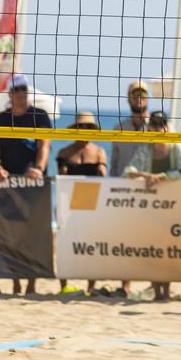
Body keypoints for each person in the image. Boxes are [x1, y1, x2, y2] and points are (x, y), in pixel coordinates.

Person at [0, 74, 52, 295]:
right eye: (17, 90)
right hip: (10, 184)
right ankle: (15, 281)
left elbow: (44, 146)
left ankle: (32, 283)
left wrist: (39, 168)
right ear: (10, 94)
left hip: (34, 184)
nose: (21, 93)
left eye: (24, 89)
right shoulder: (0, 119)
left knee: (34, 235)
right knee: (12, 234)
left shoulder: (39, 116)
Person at [122, 110, 181, 302]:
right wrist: (146, 176)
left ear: (167, 127)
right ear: (150, 127)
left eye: (161, 124)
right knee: (153, 250)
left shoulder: (177, 147)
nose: (158, 128)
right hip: (151, 207)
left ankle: (165, 291)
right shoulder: (146, 149)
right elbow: (128, 171)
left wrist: (160, 177)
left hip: (173, 205)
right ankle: (158, 291)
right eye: (154, 124)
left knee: (168, 251)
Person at [56, 111, 109, 296]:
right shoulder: (65, 152)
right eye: (81, 126)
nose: (84, 129)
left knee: (91, 245)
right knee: (65, 242)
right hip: (69, 203)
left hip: (91, 202)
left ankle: (90, 287)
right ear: (75, 129)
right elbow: (61, 178)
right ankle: (64, 286)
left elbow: (103, 176)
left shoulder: (99, 152)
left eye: (87, 127)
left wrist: (101, 168)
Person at [111, 80, 151, 177]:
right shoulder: (119, 129)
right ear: (129, 98)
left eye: (143, 94)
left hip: (149, 184)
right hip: (122, 183)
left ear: (147, 98)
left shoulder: (158, 128)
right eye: (135, 94)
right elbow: (114, 165)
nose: (139, 98)